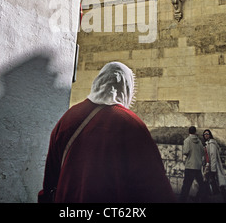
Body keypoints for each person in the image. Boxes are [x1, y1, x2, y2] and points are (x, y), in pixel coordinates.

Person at [38, 61, 176, 203]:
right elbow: (155, 187)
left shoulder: (68, 117)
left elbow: (50, 179)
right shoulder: (131, 124)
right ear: (126, 88)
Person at [179, 126, 206, 202]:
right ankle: (204, 199)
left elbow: (185, 151)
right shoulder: (199, 141)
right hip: (197, 166)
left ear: (189, 132)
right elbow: (202, 152)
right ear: (195, 132)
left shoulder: (187, 140)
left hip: (190, 166)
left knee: (186, 186)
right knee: (201, 184)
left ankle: (182, 200)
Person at [202, 129, 226, 202]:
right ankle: (203, 198)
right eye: (204, 134)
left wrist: (213, 169)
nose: (206, 135)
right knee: (206, 182)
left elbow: (213, 156)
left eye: (207, 134)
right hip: (208, 166)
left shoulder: (212, 144)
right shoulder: (207, 143)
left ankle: (225, 199)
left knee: (219, 183)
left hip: (213, 166)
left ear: (210, 135)